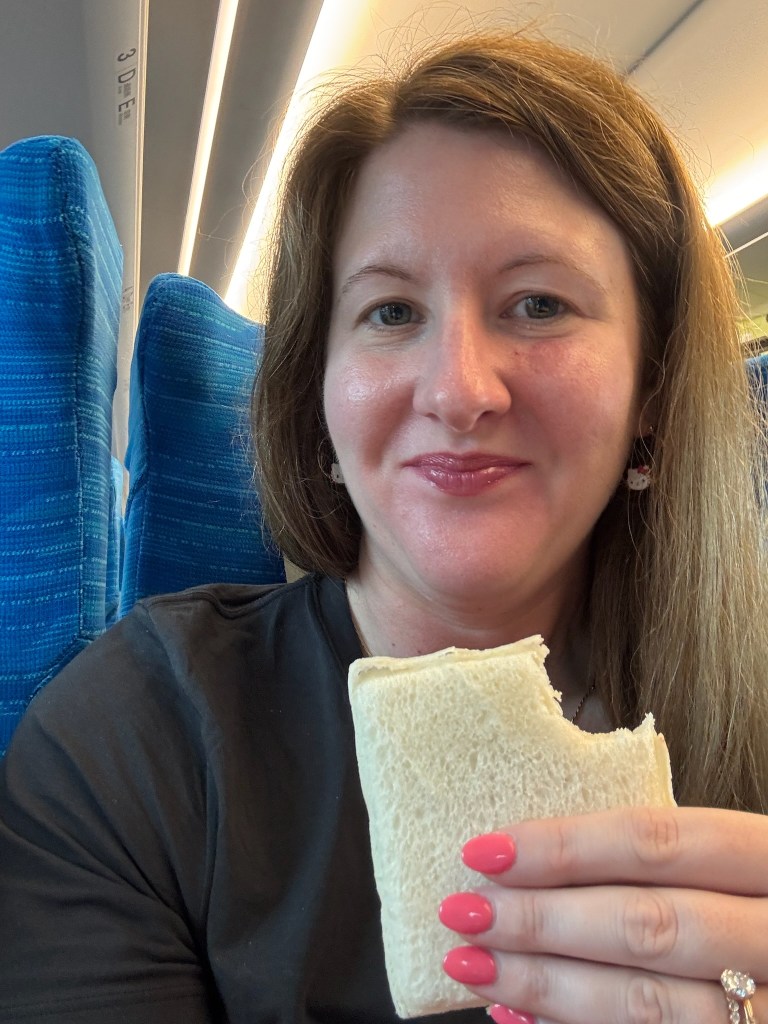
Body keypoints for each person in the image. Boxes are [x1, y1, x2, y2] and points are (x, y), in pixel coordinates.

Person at [1, 28, 767, 1024]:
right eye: (392, 312)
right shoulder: (130, 741)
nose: (457, 389)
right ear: (317, 392)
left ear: (652, 390)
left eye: (538, 304)